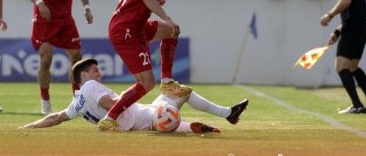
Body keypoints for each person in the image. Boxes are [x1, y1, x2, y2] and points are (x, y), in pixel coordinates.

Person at [98, 0, 195, 131]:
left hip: (135, 25)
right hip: (126, 30)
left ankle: (167, 82)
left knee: (172, 32)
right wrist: (166, 17)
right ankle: (110, 118)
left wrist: (152, 1)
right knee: (146, 82)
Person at [20, 58, 249, 133]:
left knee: (175, 98)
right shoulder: (90, 87)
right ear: (83, 75)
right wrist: (130, 93)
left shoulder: (76, 103)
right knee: (178, 95)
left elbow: (55, 118)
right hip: (144, 118)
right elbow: (112, 105)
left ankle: (192, 126)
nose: (99, 72)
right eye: (95, 69)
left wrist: (26, 128)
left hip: (142, 119)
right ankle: (224, 114)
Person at [24, 0, 93, 115]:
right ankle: (45, 102)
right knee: (46, 58)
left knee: (77, 57)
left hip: (65, 19)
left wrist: (86, 8)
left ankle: (77, 100)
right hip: (44, 19)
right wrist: (39, 3)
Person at [320, 0, 366, 114]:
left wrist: (329, 15)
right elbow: (354, 12)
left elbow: (346, 1)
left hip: (354, 30)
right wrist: (338, 31)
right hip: (358, 29)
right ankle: (358, 104)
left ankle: (357, 105)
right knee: (352, 66)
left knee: (341, 66)